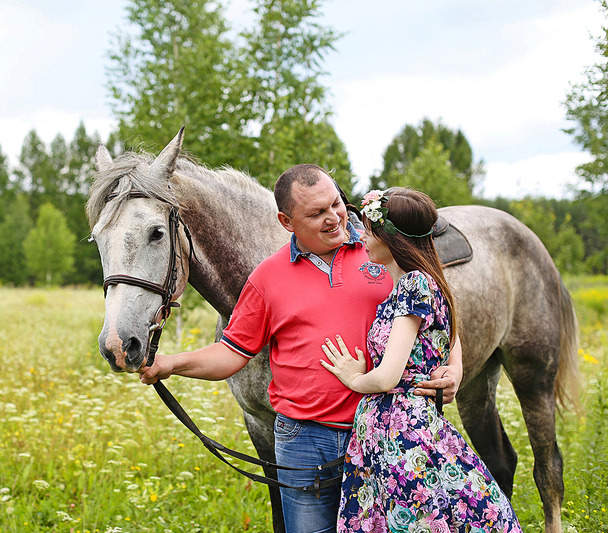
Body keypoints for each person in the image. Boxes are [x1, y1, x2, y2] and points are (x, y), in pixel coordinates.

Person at [140, 166, 463, 533]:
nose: (333, 219)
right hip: (305, 441)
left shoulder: (382, 254)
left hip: (381, 431)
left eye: (336, 205)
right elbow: (232, 352)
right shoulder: (267, 277)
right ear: (286, 221)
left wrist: (455, 367)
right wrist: (169, 364)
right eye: (316, 213)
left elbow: (441, 308)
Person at [320, 187, 521, 532]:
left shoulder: (414, 284)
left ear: (390, 238)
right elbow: (447, 336)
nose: (363, 237)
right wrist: (453, 366)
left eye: (370, 230)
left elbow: (386, 377)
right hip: (394, 431)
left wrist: (353, 377)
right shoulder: (421, 283)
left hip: (401, 434)